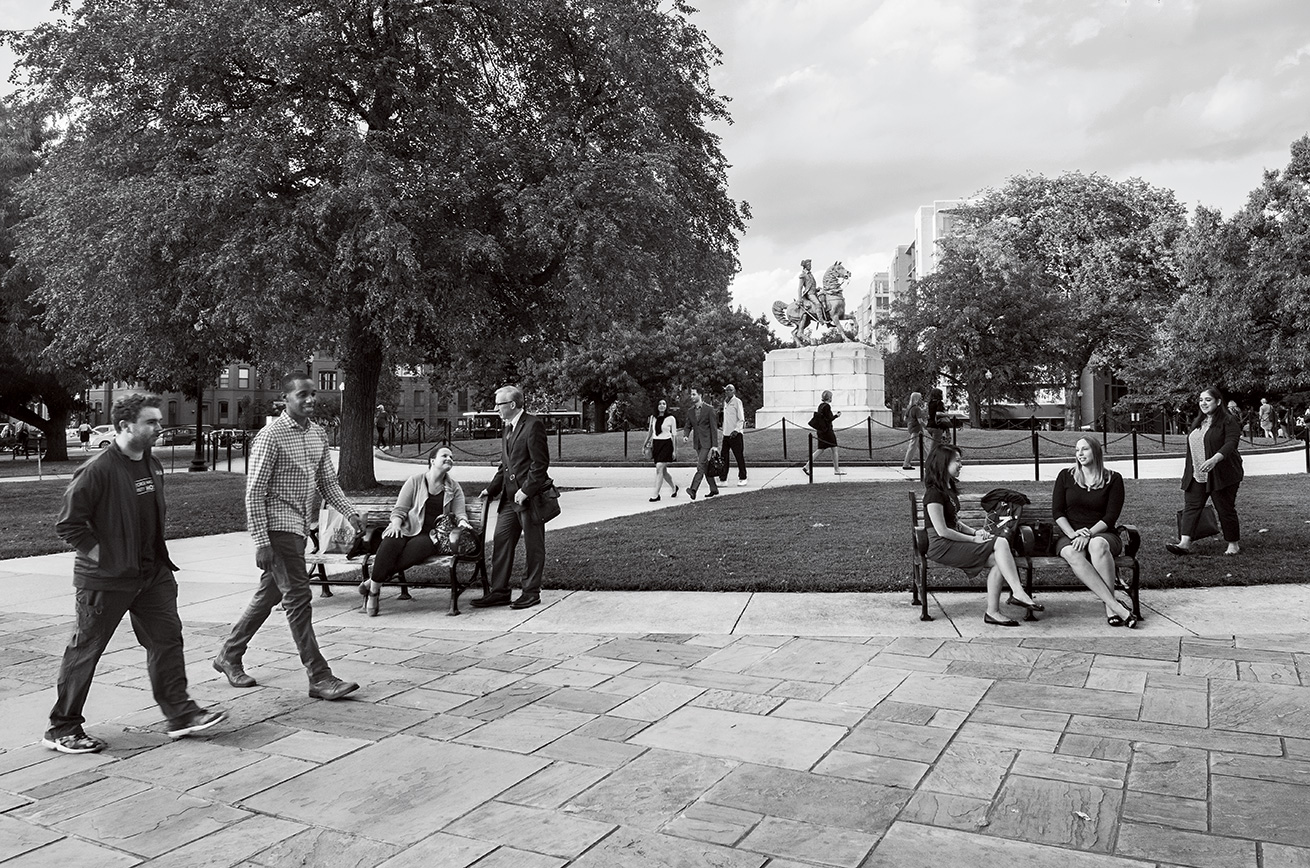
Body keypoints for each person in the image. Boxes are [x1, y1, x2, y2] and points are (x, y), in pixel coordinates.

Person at [47, 394, 225, 753]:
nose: (159, 427)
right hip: (106, 580)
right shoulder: (97, 470)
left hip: (152, 574)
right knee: (86, 651)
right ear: (125, 426)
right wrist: (107, 559)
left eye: (158, 421)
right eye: (152, 422)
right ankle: (62, 727)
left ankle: (181, 714)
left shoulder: (151, 464)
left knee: (167, 640)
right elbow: (69, 525)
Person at [215, 374, 363, 700]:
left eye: (313, 394)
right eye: (302, 395)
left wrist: (349, 512)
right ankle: (319, 676)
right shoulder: (271, 436)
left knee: (269, 595)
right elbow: (254, 493)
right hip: (277, 528)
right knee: (298, 599)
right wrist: (261, 542)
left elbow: (328, 482)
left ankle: (229, 654)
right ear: (285, 398)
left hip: (298, 527)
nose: (310, 400)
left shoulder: (317, 434)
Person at [922, 445, 1043, 627]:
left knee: (998, 561)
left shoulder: (948, 488)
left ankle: (992, 612)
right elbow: (942, 531)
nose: (961, 465)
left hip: (951, 541)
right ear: (943, 462)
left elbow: (954, 522)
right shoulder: (933, 493)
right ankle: (1018, 592)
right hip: (941, 545)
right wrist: (974, 539)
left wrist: (975, 532)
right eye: (957, 461)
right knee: (1001, 542)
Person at [358, 446, 471, 616]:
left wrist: (463, 523)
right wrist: (395, 524)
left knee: (417, 549)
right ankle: (374, 587)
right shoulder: (415, 481)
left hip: (432, 536)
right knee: (390, 542)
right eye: (445, 455)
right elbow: (400, 510)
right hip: (406, 528)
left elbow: (460, 513)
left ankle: (372, 587)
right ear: (432, 461)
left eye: (451, 457)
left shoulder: (454, 488)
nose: (449, 459)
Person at [474, 385, 552, 609]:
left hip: (529, 499)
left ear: (512, 405)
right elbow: (505, 465)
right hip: (509, 500)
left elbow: (540, 465)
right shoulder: (508, 428)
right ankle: (499, 592)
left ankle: (531, 592)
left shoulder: (533, 425)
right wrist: (491, 489)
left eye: (498, 404)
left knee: (533, 546)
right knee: (501, 541)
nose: (495, 408)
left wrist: (526, 490)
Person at [1052, 438, 1138, 628]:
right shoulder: (1066, 476)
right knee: (1071, 552)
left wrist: (1088, 534)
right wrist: (1074, 534)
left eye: (1085, 449)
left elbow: (1110, 517)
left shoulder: (1113, 479)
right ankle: (1116, 606)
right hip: (1070, 534)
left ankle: (1109, 609)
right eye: (1077, 450)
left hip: (1103, 533)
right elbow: (1057, 512)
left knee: (1097, 544)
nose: (1080, 454)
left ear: (1096, 452)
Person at [1167, 385, 1244, 557]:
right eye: (1201, 400)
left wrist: (1214, 459)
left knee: (1224, 508)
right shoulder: (1199, 422)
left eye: (1208, 399)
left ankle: (1233, 544)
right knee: (1191, 507)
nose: (1203, 403)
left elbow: (1231, 443)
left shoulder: (1227, 420)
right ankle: (1184, 543)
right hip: (1197, 474)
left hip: (1222, 473)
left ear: (1218, 402)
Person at [681, 387, 720, 500]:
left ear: (700, 395)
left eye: (693, 394)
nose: (691, 396)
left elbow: (713, 428)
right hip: (697, 443)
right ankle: (714, 489)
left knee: (700, 465)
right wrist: (685, 435)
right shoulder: (690, 411)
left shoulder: (709, 409)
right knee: (705, 466)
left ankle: (693, 489)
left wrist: (715, 445)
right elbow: (688, 425)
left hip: (707, 443)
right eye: (691, 394)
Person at [805, 390, 846, 476]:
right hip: (827, 431)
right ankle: (836, 469)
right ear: (829, 398)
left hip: (821, 431)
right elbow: (828, 419)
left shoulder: (820, 406)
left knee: (820, 450)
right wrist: (836, 416)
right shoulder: (827, 407)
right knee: (834, 449)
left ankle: (807, 466)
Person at [647, 398, 679, 502]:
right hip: (656, 443)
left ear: (666, 406)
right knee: (663, 471)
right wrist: (645, 445)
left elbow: (674, 435)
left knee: (659, 467)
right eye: (660, 403)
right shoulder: (653, 418)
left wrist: (674, 450)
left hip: (666, 443)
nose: (662, 405)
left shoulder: (671, 418)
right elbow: (650, 432)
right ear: (657, 406)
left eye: (664, 404)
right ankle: (674, 487)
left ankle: (655, 494)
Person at [718, 384, 747, 487]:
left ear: (734, 391)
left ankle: (743, 477)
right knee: (724, 457)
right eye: (726, 390)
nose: (728, 392)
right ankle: (723, 478)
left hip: (735, 434)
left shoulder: (737, 402)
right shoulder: (725, 402)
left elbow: (741, 418)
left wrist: (736, 430)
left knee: (739, 456)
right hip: (726, 434)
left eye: (730, 390)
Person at [902, 391, 924, 470]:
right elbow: (920, 421)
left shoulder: (909, 408)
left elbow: (905, 419)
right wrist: (926, 427)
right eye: (920, 398)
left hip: (911, 428)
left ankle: (929, 461)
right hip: (916, 429)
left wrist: (911, 421)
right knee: (912, 446)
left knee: (922, 446)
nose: (921, 399)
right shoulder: (917, 409)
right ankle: (906, 463)